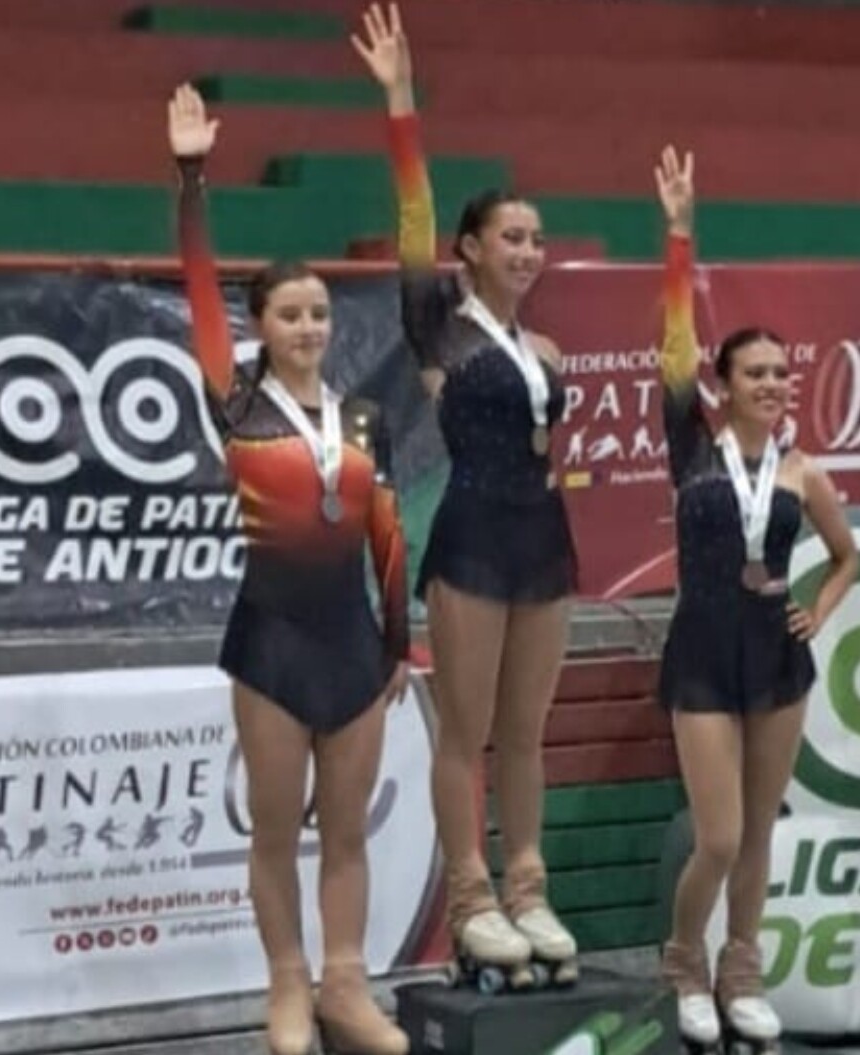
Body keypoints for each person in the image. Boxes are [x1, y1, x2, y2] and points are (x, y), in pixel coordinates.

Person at [168, 83, 412, 1055]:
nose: (309, 327)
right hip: (270, 642)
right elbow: (197, 289)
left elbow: (387, 533)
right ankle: (286, 983)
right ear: (259, 325)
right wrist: (191, 178)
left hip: (355, 644)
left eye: (319, 313)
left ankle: (346, 983)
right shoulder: (237, 404)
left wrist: (400, 642)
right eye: (290, 314)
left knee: (346, 831)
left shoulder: (363, 419)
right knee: (276, 830)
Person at [352, 4, 580, 990]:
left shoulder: (548, 350)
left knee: (526, 733)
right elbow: (412, 221)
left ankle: (528, 888)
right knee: (466, 728)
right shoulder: (440, 329)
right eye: (510, 236)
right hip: (473, 538)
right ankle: (472, 897)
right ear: (470, 249)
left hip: (545, 542)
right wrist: (402, 105)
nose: (528, 250)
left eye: (537, 238)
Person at [649, 145, 860, 1052]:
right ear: (722, 384)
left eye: (781, 372)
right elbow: (673, 343)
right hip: (703, 652)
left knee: (762, 829)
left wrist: (822, 605)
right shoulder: (691, 448)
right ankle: (683, 961)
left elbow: (848, 557)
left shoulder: (804, 471)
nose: (772, 384)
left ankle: (743, 970)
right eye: (755, 373)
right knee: (721, 836)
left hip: (776, 654)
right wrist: (679, 234)